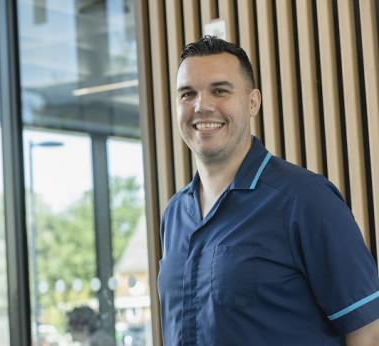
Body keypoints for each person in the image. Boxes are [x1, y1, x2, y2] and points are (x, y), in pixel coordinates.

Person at [158, 35, 379, 345]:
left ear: (253, 102)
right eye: (187, 94)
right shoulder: (174, 215)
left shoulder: (306, 201)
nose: (202, 106)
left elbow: (368, 332)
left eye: (219, 90)